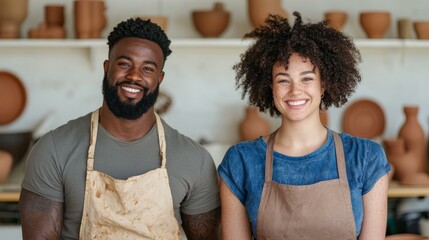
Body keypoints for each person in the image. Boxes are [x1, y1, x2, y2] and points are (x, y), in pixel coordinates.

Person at [19, 17, 220, 240]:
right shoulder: (53, 150)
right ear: (107, 68)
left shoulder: (195, 161)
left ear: (159, 79)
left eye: (147, 68)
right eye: (124, 64)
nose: (134, 75)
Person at [218, 12, 390, 240]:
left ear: (324, 84)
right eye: (283, 80)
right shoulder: (241, 161)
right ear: (271, 87)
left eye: (307, 78)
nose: (295, 91)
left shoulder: (366, 157)